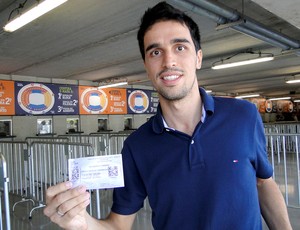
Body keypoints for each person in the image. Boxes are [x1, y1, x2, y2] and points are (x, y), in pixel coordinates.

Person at [44, 2, 292, 229]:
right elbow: (117, 225)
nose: (168, 61)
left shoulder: (243, 116)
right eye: (155, 52)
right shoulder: (136, 147)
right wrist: (83, 223)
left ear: (198, 58)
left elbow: (263, 182)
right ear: (146, 66)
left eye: (180, 47)